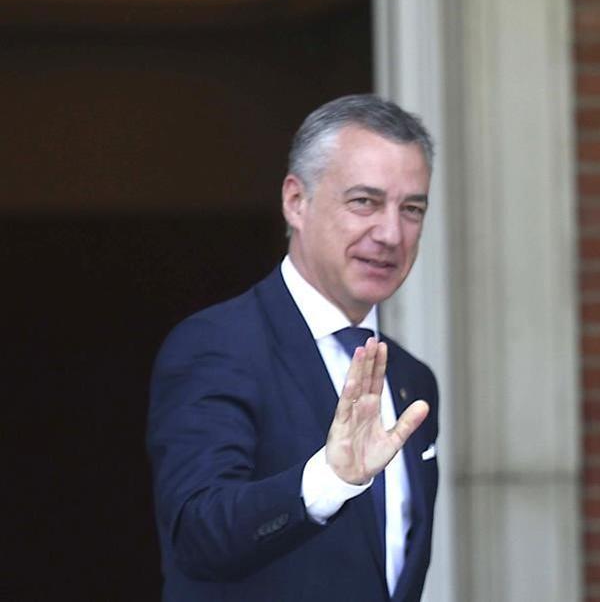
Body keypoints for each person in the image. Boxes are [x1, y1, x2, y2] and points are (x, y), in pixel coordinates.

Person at [147, 94, 440, 601]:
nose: (391, 233)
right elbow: (197, 533)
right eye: (364, 202)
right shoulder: (217, 346)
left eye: (411, 209)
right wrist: (328, 481)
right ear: (295, 202)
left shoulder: (411, 378)